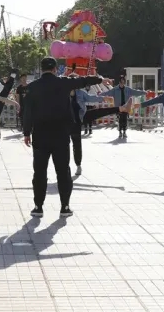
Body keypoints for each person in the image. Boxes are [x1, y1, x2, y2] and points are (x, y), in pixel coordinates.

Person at [23, 58, 107, 217]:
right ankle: (65, 207)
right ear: (55, 69)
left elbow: (28, 111)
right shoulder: (63, 83)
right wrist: (99, 79)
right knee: (63, 171)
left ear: (42, 69)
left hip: (40, 134)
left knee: (39, 172)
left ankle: (38, 207)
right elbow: (82, 81)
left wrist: (27, 132)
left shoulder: (32, 87)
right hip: (61, 134)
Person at [69, 81, 128, 177]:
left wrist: (103, 98)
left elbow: (91, 98)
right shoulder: (62, 93)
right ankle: (64, 168)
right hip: (66, 122)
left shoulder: (80, 93)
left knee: (77, 145)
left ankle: (78, 165)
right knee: (64, 146)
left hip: (79, 119)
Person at [104, 74, 144, 139]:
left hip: (126, 107)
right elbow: (107, 93)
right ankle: (120, 132)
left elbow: (136, 92)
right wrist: (99, 95)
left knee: (125, 119)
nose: (122, 83)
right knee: (120, 120)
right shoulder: (115, 89)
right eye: (121, 81)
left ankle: (124, 132)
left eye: (123, 82)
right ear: (119, 82)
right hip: (118, 107)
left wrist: (143, 92)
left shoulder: (128, 89)